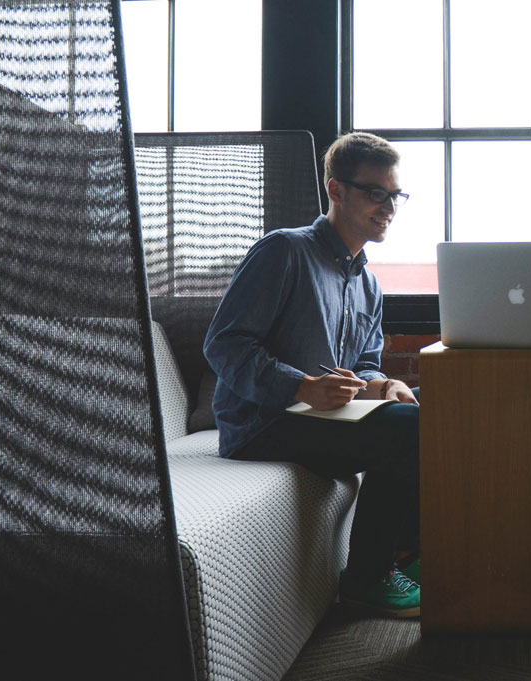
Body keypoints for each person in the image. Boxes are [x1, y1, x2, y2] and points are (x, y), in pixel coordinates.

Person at [203, 132, 423, 617]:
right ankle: (368, 579)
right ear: (336, 190)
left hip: (326, 419)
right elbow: (224, 344)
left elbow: (364, 363)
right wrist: (300, 386)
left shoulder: (368, 283)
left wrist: (383, 384)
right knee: (414, 429)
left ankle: (410, 549)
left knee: (437, 405)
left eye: (395, 195)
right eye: (375, 193)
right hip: (264, 425)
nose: (388, 207)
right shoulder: (284, 251)